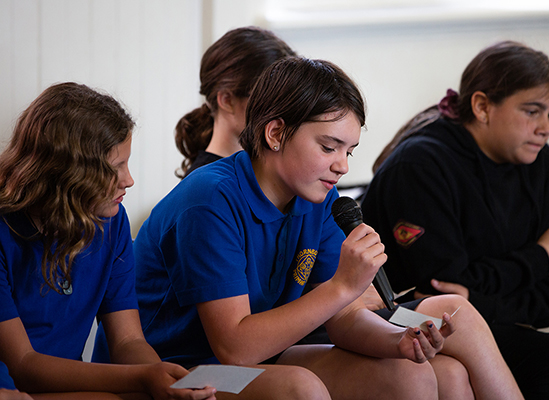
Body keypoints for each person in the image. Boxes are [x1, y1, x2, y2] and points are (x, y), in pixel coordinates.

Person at [133, 56, 523, 399]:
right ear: (275, 133)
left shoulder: (316, 200)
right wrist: (343, 286)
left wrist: (398, 341)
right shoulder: (210, 199)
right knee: (300, 387)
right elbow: (236, 348)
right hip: (181, 369)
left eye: (348, 151)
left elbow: (344, 317)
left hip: (259, 357)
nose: (343, 166)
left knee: (420, 373)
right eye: (328, 147)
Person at [361, 41, 549, 400]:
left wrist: (481, 295)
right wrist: (542, 258)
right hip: (418, 323)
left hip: (504, 316)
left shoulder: (541, 163)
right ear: (482, 106)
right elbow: (441, 293)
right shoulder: (421, 167)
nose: (545, 128)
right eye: (533, 111)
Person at [0, 82, 216, 400]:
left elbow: (128, 342)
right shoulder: (6, 231)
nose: (128, 180)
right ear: (69, 172)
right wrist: (143, 378)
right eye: (116, 167)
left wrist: (164, 383)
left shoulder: (111, 222)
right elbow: (24, 366)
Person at [174, 26, 296, 178]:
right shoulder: (208, 184)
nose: (285, 110)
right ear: (227, 101)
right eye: (271, 97)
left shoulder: (262, 171)